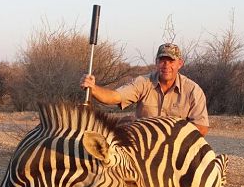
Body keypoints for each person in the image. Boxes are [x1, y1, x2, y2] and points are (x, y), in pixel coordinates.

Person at [80, 43, 209, 136]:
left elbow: (201, 128)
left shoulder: (193, 90)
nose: (166, 66)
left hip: (175, 146)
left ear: (179, 64)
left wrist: (171, 138)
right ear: (157, 62)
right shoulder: (143, 82)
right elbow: (115, 97)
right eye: (162, 61)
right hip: (144, 145)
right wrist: (93, 88)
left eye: (171, 61)